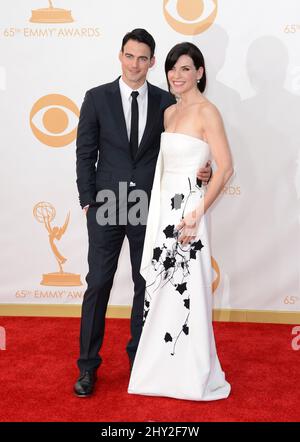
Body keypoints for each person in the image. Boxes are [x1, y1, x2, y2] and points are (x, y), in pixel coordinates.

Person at [74, 30, 212, 397]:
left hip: (150, 209)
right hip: (106, 205)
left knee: (145, 283)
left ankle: (140, 360)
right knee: (99, 283)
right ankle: (88, 367)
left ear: (152, 62)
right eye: (129, 56)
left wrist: (205, 170)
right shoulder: (96, 98)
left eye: (143, 58)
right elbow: (85, 153)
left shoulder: (168, 102)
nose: (135, 65)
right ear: (120, 56)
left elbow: (188, 146)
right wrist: (88, 201)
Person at [128, 42, 233, 401]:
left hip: (189, 214)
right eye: (173, 68)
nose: (177, 75)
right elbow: (171, 164)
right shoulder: (169, 113)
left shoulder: (208, 112)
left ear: (200, 72)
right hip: (163, 212)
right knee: (161, 291)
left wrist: (197, 212)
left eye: (186, 68)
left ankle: (191, 374)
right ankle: (159, 372)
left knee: (188, 292)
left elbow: (226, 168)